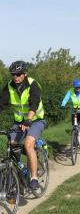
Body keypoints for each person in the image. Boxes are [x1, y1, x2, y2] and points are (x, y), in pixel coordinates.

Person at [0, 60, 46, 190]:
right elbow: (1, 104)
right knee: (12, 144)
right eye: (13, 74)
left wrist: (29, 119)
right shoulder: (9, 86)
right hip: (19, 122)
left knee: (28, 144)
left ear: (25, 74)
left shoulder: (33, 84)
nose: (15, 77)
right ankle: (22, 169)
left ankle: (34, 177)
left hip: (35, 120)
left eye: (18, 74)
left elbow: (34, 103)